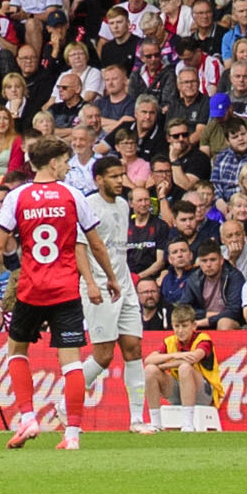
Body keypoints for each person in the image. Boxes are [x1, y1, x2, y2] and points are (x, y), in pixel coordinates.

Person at [0, 139, 97, 452]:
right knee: (72, 363)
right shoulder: (72, 195)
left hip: (31, 288)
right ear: (52, 163)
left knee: (17, 351)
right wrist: (106, 279)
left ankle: (28, 417)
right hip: (65, 288)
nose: (68, 166)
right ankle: (72, 434)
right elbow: (92, 243)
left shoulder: (17, 196)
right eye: (65, 161)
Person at [80, 143, 154, 435]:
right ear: (99, 180)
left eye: (122, 175)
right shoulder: (88, 207)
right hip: (99, 287)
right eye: (113, 176)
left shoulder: (124, 206)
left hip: (124, 288)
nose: (120, 181)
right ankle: (64, 401)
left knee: (134, 349)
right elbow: (79, 249)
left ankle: (137, 419)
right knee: (103, 355)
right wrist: (89, 283)